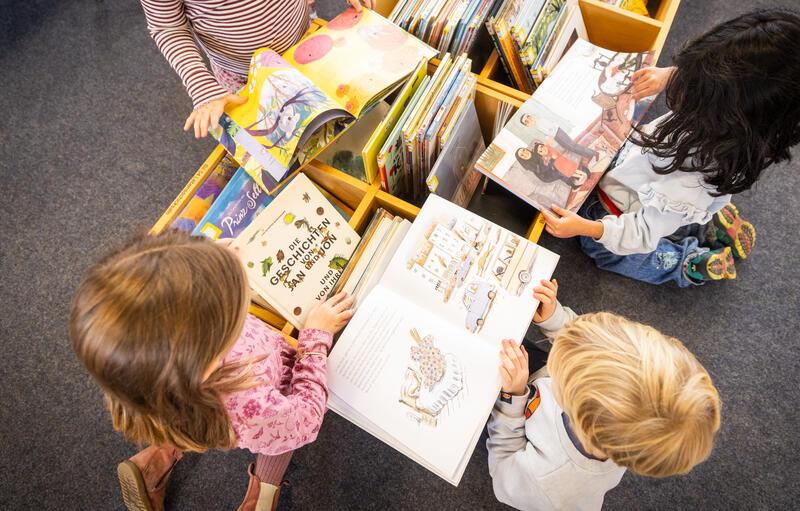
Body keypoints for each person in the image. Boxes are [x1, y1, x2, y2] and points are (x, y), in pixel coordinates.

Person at [70, 230, 355, 511]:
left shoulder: (142, 369)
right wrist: (315, 338)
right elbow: (303, 421)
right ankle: (260, 499)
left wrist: (205, 262)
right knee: (277, 436)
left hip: (187, 402)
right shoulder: (249, 403)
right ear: (206, 360)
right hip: (271, 393)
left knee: (181, 418)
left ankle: (155, 462)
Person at [539, 9, 800, 286]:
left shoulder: (691, 180)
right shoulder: (732, 121)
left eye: (692, 85)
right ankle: (705, 223)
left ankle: (685, 263)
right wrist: (668, 75)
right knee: (681, 212)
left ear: (725, 112)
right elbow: (710, 76)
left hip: (633, 209)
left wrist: (585, 227)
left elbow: (642, 232)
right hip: (658, 189)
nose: (684, 87)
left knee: (602, 249)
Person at [487, 279, 721, 510]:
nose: (570, 357)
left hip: (508, 429)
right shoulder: (617, 426)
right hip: (531, 382)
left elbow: (504, 468)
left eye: (568, 368)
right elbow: (588, 348)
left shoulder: (549, 482)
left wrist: (513, 398)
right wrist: (554, 319)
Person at [139, 0, 374, 139]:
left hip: (305, 37)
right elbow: (168, 28)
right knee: (278, 136)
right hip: (242, 76)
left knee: (330, 116)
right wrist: (202, 86)